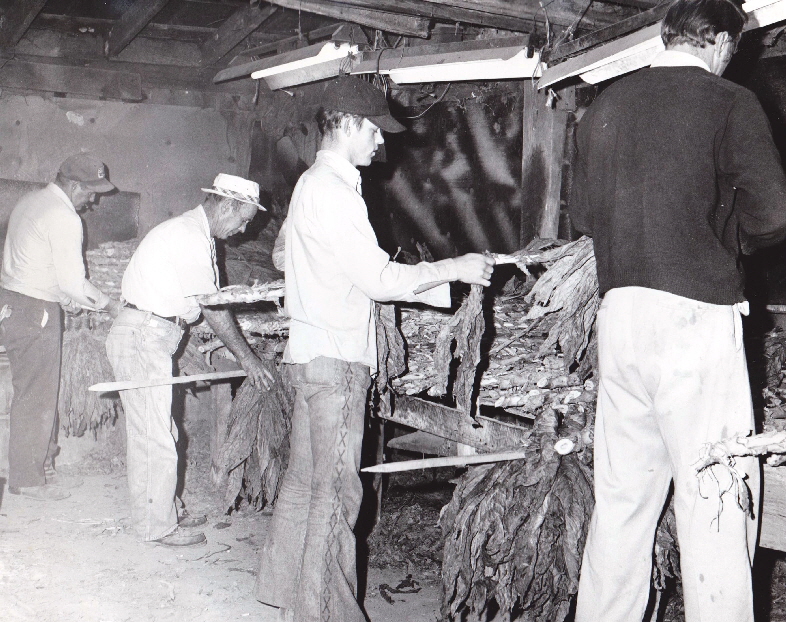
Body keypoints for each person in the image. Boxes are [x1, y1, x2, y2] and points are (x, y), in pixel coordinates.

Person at [569, 0, 786, 620]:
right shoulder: (728, 103)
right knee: (717, 499)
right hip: (694, 320)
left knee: (621, 504)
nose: (729, 61)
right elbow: (774, 212)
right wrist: (722, 237)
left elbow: (585, 218)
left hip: (621, 316)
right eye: (731, 48)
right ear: (716, 39)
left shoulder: (603, 107)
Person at [254, 75, 495, 622]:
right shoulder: (335, 192)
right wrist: (453, 269)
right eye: (373, 130)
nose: (381, 141)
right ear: (346, 125)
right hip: (337, 361)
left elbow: (284, 260)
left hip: (308, 354)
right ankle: (322, 612)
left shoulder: (309, 185)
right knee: (338, 494)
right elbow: (379, 280)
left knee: (304, 483)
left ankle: (282, 592)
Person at [105, 173, 273, 547]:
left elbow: (197, 303)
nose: (244, 229)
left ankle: (164, 508)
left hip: (149, 333)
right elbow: (211, 309)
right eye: (243, 219)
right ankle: (155, 526)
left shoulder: (195, 234)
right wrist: (247, 359)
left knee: (161, 429)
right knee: (155, 435)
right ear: (227, 205)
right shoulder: (189, 236)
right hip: (143, 335)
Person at [1, 153, 123, 501]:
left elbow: (37, 262)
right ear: (72, 185)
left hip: (15, 301)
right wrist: (111, 305)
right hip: (34, 309)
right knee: (36, 394)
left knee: (39, 390)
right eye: (91, 191)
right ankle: (26, 479)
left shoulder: (31, 201)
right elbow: (73, 282)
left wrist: (65, 298)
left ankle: (42, 466)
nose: (95, 199)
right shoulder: (64, 216)